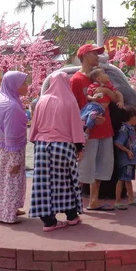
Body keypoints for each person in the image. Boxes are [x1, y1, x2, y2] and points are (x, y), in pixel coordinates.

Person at [29, 72, 85, 232]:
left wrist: (36, 141)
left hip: (41, 146)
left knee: (42, 183)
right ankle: (72, 215)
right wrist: (79, 147)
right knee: (66, 182)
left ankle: (48, 220)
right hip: (62, 146)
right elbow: (75, 125)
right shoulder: (69, 100)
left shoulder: (42, 100)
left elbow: (35, 125)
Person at [70, 44, 115, 212]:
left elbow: (115, 96)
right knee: (84, 167)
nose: (98, 57)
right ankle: (75, 201)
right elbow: (72, 108)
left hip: (106, 129)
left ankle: (94, 200)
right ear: (85, 55)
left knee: (102, 165)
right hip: (87, 132)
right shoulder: (76, 80)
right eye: (95, 54)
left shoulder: (101, 77)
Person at [0, 71, 29, 224]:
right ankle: (8, 213)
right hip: (10, 151)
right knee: (10, 181)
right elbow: (12, 134)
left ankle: (1, 209)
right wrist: (15, 160)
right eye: (24, 83)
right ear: (14, 85)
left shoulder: (0, 100)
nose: (27, 86)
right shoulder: (12, 106)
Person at [113, 105, 136, 210]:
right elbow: (118, 142)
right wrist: (128, 151)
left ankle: (131, 199)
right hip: (125, 160)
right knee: (122, 179)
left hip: (129, 160)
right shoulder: (124, 129)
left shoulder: (130, 129)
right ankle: (117, 201)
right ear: (133, 116)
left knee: (127, 180)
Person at [80, 68, 124, 138]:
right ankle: (82, 130)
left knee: (92, 115)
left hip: (100, 109)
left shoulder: (109, 85)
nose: (107, 75)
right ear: (98, 79)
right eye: (104, 73)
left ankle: (86, 131)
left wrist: (121, 102)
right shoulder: (92, 86)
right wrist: (93, 98)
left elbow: (118, 94)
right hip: (93, 105)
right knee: (84, 114)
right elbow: (88, 96)